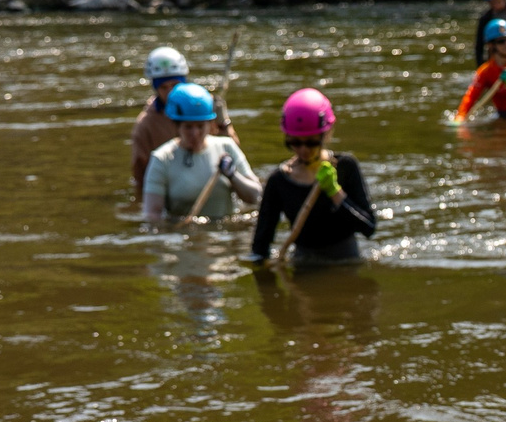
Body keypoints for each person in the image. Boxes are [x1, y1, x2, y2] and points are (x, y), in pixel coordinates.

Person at [251, 89, 377, 266]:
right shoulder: (279, 181)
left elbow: (369, 228)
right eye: (295, 142)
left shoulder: (346, 167)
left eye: (311, 142)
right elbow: (260, 246)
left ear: (326, 134)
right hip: (304, 264)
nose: (303, 150)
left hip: (347, 263)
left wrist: (334, 191)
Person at [139, 81, 262, 227]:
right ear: (176, 125)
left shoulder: (226, 147)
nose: (195, 134)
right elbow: (152, 215)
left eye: (200, 126)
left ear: (209, 124)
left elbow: (256, 196)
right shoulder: (161, 158)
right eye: (188, 127)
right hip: (185, 237)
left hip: (225, 236)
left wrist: (233, 175)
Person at [132, 44, 238, 195]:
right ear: (155, 88)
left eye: (175, 85)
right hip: (173, 191)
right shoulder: (145, 125)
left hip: (210, 182)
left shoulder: (203, 108)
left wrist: (223, 122)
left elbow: (233, 152)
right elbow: (140, 173)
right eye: (163, 87)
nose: (170, 92)